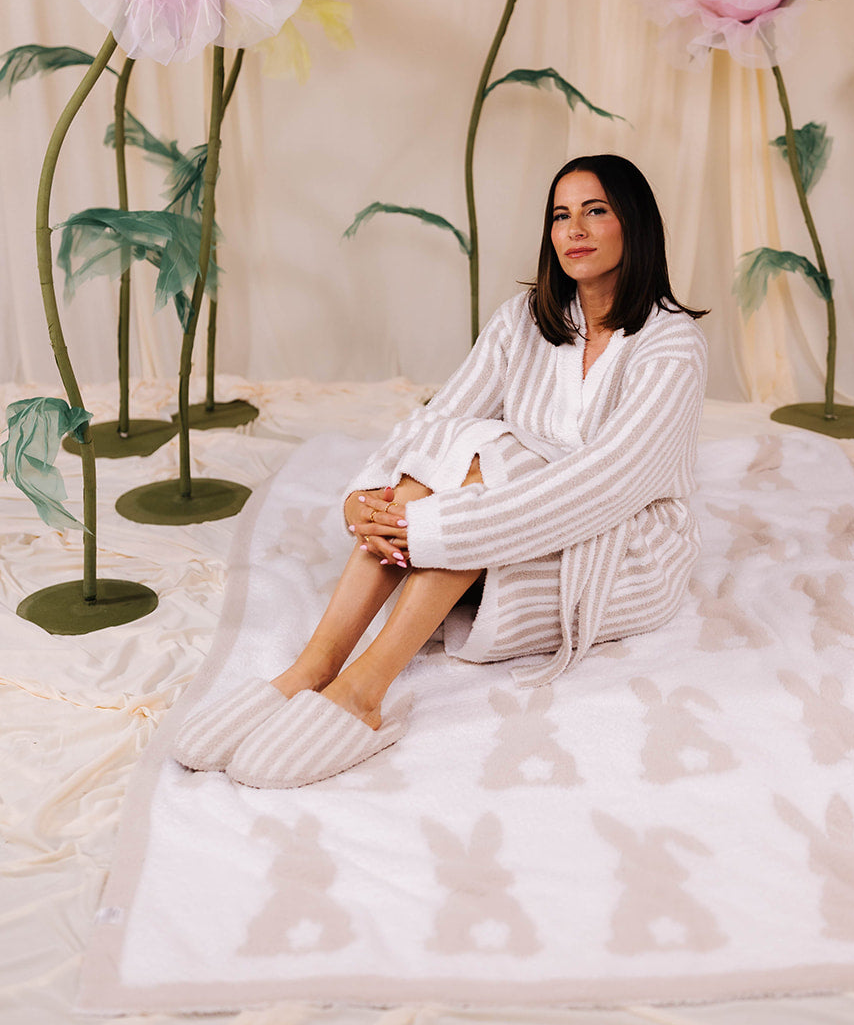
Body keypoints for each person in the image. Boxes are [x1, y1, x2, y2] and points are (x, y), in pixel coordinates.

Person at [173, 155, 708, 788]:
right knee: (465, 438)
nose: (575, 230)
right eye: (560, 215)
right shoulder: (526, 320)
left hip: (626, 554)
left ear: (634, 224)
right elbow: (440, 420)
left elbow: (607, 485)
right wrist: (367, 497)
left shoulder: (671, 346)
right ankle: (314, 667)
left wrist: (443, 529)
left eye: (596, 211)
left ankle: (365, 690)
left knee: (497, 456)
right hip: (508, 523)